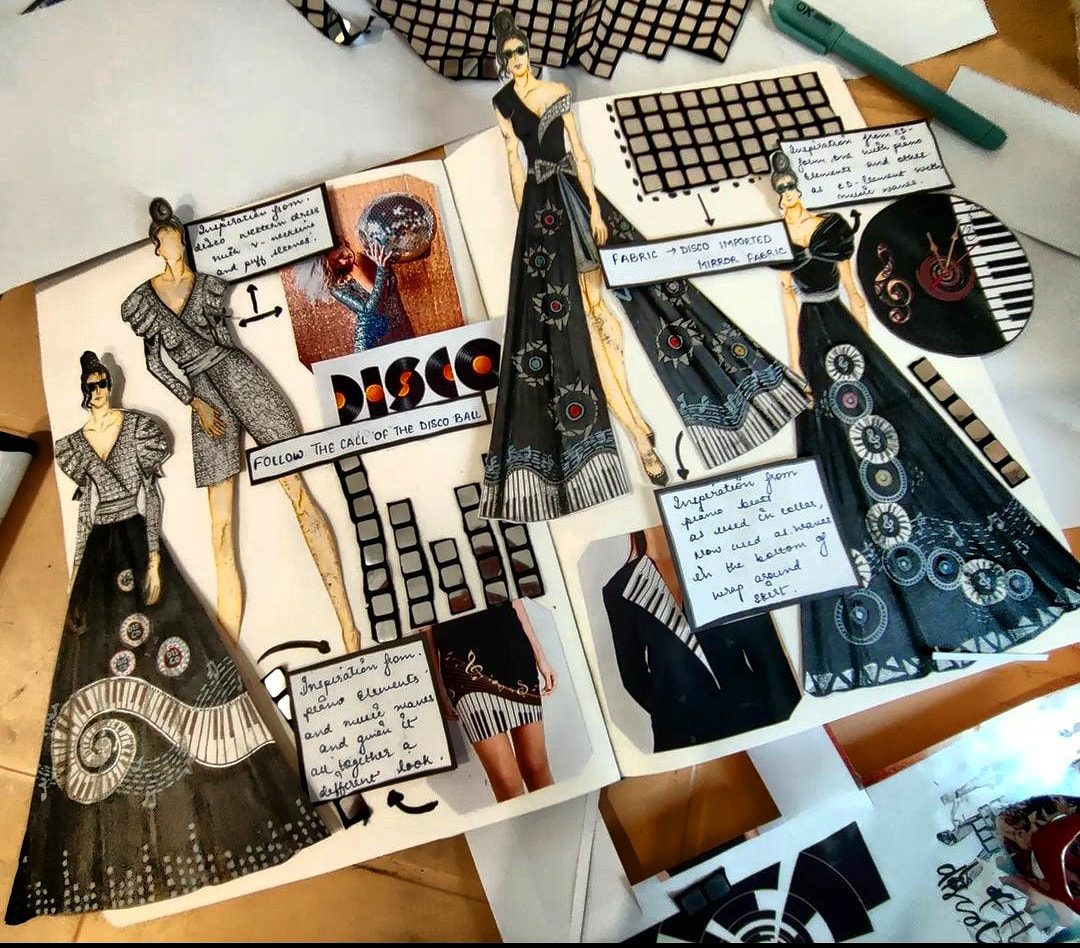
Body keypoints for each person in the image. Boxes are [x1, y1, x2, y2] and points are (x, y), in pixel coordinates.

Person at [4, 353, 328, 924]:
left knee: (183, 657)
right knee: (88, 672)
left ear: (110, 384)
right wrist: (78, 574)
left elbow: (150, 499)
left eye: (102, 382)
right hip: (99, 558)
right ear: (84, 388)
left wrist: (154, 557)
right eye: (91, 384)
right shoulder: (75, 446)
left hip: (138, 544)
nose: (98, 390)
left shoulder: (138, 430)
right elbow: (85, 517)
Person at [768, 151, 1080, 695]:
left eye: (790, 192)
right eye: (783, 195)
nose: (788, 201)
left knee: (910, 441)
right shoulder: (784, 247)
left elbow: (851, 293)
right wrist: (804, 372)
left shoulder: (828, 230)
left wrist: (865, 347)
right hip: (816, 338)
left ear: (797, 192)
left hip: (845, 332)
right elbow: (790, 308)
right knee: (836, 458)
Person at [120, 199, 361, 650]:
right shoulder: (144, 301)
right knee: (220, 527)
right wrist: (193, 400)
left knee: (299, 494)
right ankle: (228, 647)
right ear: (156, 246)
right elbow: (155, 363)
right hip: (204, 397)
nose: (173, 246)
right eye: (165, 240)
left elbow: (223, 340)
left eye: (177, 238)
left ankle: (348, 625)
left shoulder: (209, 287)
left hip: (241, 378)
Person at [602, 527, 799, 752]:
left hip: (753, 723)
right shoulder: (619, 589)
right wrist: (676, 717)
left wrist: (789, 722)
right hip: (686, 740)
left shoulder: (720, 559)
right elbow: (633, 677)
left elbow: (767, 653)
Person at [423, 600, 556, 802]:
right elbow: (424, 624)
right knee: (507, 783)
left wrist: (541, 658)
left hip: (512, 650)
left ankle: (556, 820)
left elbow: (513, 597)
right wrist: (438, 685)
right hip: (462, 665)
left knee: (536, 768)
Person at [321, 237, 415, 352]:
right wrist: (381, 270)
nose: (343, 262)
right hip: (370, 342)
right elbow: (369, 310)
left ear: (340, 243)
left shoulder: (368, 256)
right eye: (335, 263)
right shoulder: (337, 287)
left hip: (398, 328)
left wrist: (381, 268)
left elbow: (385, 293)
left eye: (340, 256)